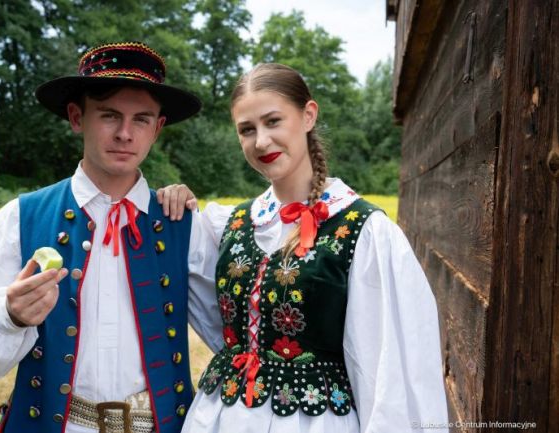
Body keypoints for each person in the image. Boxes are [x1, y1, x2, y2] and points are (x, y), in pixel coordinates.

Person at [0, 42, 222, 433]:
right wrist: (10, 316)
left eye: (141, 119)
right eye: (109, 115)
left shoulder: (183, 223)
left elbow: (231, 336)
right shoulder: (22, 217)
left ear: (157, 128)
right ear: (77, 117)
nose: (125, 134)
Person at [177, 63, 449, 433]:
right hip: (220, 420)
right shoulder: (229, 226)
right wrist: (172, 199)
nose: (261, 141)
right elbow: (209, 315)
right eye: (247, 129)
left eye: (273, 121)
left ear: (308, 115)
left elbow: (388, 374)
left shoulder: (362, 231)